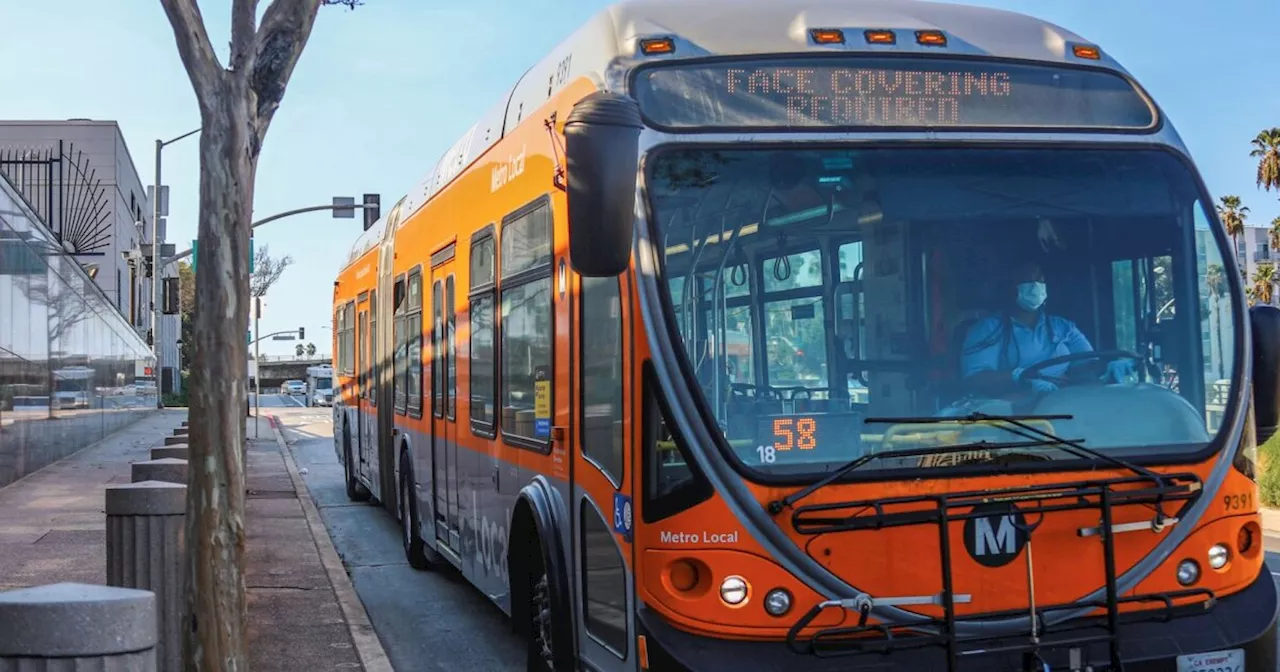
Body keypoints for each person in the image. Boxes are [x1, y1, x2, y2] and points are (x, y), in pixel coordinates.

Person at [960, 260, 1130, 396]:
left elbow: (1086, 363)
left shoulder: (1063, 327)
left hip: (1064, 402)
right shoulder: (986, 330)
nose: (1034, 286)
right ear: (1008, 288)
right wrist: (1018, 378)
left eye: (1039, 279)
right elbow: (976, 379)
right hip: (1011, 412)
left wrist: (1107, 367)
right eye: (1026, 280)